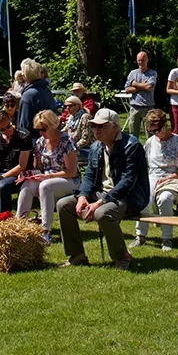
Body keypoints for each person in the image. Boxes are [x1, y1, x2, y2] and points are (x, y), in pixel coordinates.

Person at [58, 108, 149, 270]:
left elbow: (128, 182)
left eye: (101, 126)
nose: (96, 130)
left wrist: (100, 202)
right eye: (94, 126)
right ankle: (77, 255)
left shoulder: (132, 146)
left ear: (114, 127)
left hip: (129, 197)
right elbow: (88, 176)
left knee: (102, 213)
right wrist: (83, 196)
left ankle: (122, 256)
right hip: (101, 194)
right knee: (63, 205)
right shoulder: (96, 147)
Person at [15, 110, 78, 244]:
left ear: (53, 125)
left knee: (45, 186)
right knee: (27, 185)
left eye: (43, 129)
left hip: (69, 179)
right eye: (37, 129)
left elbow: (71, 171)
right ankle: (18, 225)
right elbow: (39, 168)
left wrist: (47, 177)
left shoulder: (66, 141)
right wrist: (29, 175)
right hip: (47, 176)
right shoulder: (40, 142)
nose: (40, 132)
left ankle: (45, 231)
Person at [133, 109, 178, 250]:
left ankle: (166, 238)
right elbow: (145, 166)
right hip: (153, 176)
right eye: (152, 131)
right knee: (143, 198)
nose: (155, 134)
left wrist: (170, 177)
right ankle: (140, 235)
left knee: (165, 198)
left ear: (165, 125)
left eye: (157, 130)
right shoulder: (150, 142)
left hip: (173, 178)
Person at [123, 51, 158, 138]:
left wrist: (134, 83)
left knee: (150, 135)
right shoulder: (132, 73)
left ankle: (149, 151)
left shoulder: (152, 73)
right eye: (139, 60)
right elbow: (127, 89)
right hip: (134, 107)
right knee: (133, 135)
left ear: (147, 60)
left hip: (148, 107)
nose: (140, 62)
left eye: (143, 60)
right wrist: (142, 86)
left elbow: (149, 87)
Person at [17, 58, 55, 138]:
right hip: (49, 136)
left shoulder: (28, 95)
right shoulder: (47, 90)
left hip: (33, 140)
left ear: (24, 76)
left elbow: (24, 124)